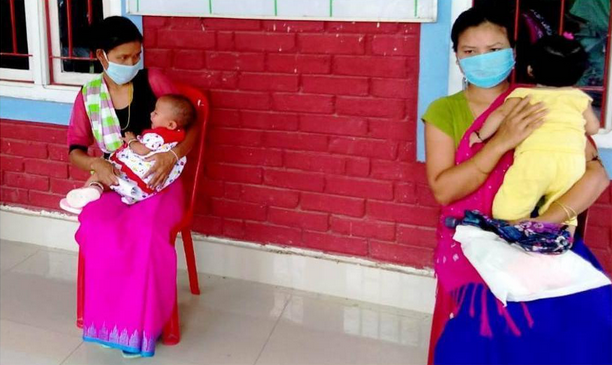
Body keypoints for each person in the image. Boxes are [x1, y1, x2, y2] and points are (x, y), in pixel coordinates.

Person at [422, 5, 611, 364]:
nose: (483, 59)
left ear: (513, 52)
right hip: (471, 239)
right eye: (469, 51)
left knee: (595, 310)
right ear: (457, 59)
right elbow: (445, 190)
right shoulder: (445, 111)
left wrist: (541, 226)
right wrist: (501, 141)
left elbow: (597, 175)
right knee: (491, 322)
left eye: (494, 49)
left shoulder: (544, 100)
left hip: (539, 235)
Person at [66, 16, 199, 358]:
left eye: (136, 55)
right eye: (123, 58)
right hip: (115, 180)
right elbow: (76, 150)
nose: (132, 63)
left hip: (159, 183)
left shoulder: (153, 80)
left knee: (144, 231)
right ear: (101, 55)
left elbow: (189, 125)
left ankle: (143, 326)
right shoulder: (89, 96)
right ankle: (111, 323)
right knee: (97, 225)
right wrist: (97, 164)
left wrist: (172, 156)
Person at [469, 35, 600, 227]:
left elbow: (499, 115)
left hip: (534, 160)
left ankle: (512, 231)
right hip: (572, 163)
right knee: (564, 209)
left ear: (530, 70)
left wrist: (480, 135)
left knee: (510, 205)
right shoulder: (579, 98)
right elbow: (593, 127)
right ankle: (563, 238)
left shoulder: (524, 95)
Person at [62, 94, 194, 211]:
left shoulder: (157, 136)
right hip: (145, 187)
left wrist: (131, 141)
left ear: (171, 124)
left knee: (103, 175)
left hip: (136, 177)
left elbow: (142, 150)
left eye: (156, 113)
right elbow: (76, 150)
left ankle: (83, 197)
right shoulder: (176, 136)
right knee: (107, 176)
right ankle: (94, 190)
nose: (151, 114)